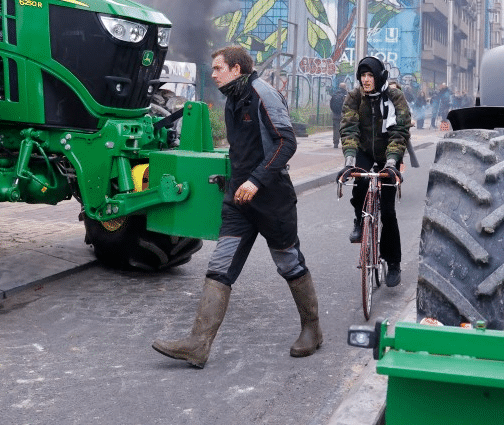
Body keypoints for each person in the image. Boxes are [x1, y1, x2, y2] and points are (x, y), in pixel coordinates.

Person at [152, 45, 321, 368]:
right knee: (220, 265)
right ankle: (198, 344)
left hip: (272, 199)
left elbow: (287, 142)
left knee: (289, 263)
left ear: (236, 69)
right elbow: (241, 150)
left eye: (218, 68)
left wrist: (256, 180)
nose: (213, 74)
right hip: (239, 201)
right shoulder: (233, 99)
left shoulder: (263, 94)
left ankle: (312, 330)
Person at [335, 56, 412, 287]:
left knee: (388, 211)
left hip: (390, 151)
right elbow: (348, 128)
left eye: (370, 76)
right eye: (362, 76)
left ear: (378, 77)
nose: (366, 80)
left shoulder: (395, 96)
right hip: (364, 150)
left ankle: (394, 262)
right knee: (359, 181)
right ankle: (360, 220)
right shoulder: (354, 97)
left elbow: (400, 130)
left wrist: (391, 163)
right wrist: (349, 160)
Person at [329, 81, 348, 148]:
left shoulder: (335, 94)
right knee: (345, 129)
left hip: (335, 114)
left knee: (336, 129)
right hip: (343, 115)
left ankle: (335, 143)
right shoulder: (346, 95)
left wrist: (334, 111)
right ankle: (345, 143)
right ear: (345, 87)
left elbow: (331, 104)